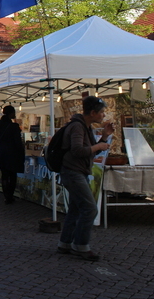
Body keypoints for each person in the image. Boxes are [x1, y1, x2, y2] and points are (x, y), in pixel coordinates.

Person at [57, 96, 114, 261]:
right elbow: (78, 151)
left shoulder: (85, 127)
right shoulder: (77, 127)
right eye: (102, 112)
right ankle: (81, 246)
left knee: (76, 209)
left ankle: (65, 243)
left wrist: (103, 138)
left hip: (77, 171)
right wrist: (99, 145)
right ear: (93, 112)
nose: (104, 116)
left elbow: (88, 153)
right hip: (72, 172)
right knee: (90, 209)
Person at [0, 105, 25, 204]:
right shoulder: (14, 126)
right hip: (12, 153)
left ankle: (6, 196)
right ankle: (10, 195)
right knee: (12, 174)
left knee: (4, 174)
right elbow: (18, 142)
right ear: (11, 113)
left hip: (1, 152)